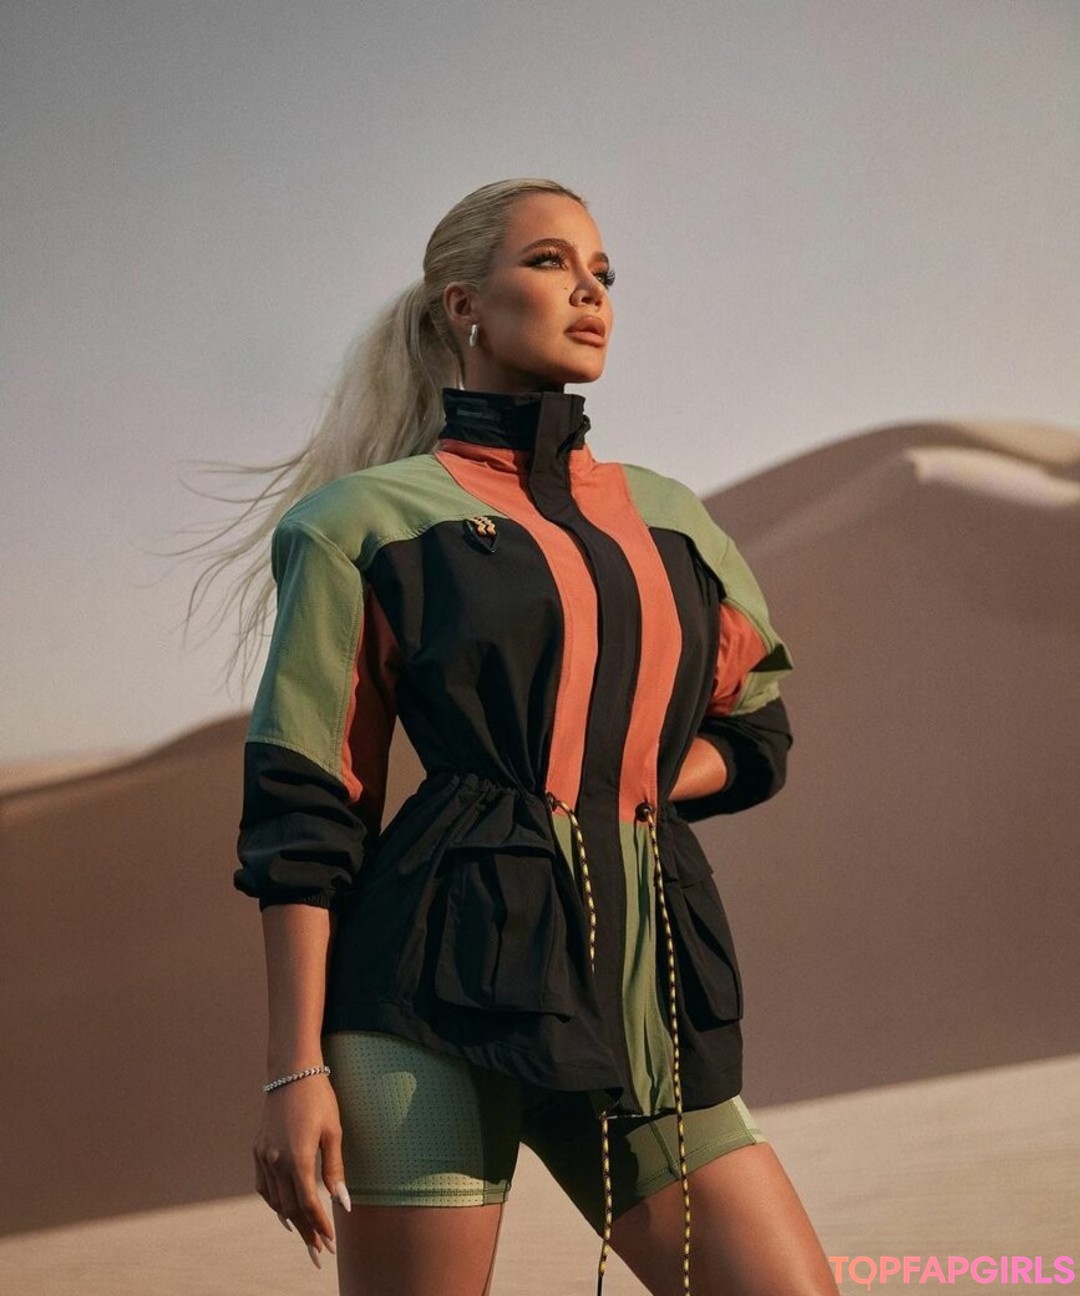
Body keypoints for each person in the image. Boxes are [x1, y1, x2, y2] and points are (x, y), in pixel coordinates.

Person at [227, 178, 837, 1295]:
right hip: (427, 1001)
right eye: (552, 263)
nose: (590, 291)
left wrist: (618, 776)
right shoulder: (360, 525)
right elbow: (309, 810)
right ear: (464, 304)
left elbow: (754, 734)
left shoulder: (673, 521)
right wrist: (293, 1070)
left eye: (603, 272)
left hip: (643, 996)